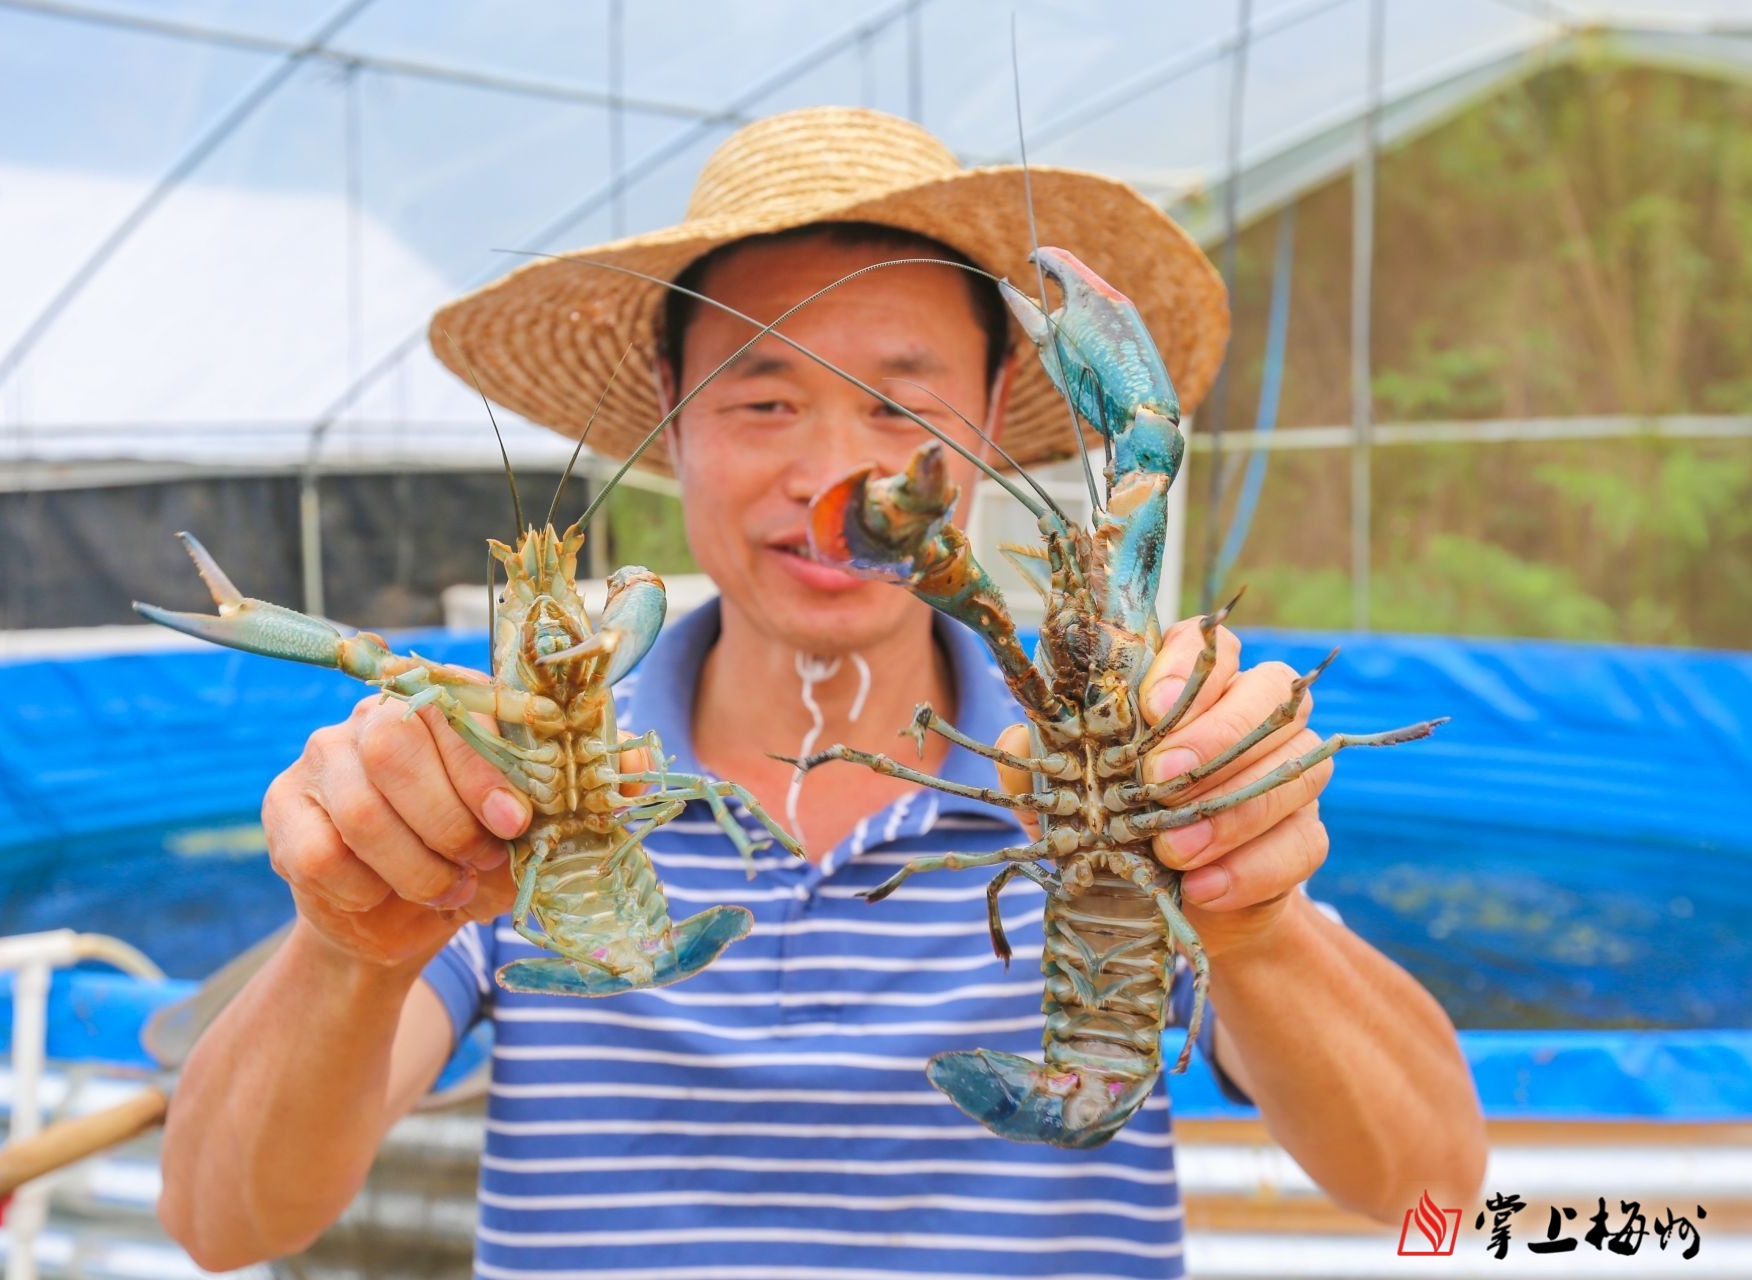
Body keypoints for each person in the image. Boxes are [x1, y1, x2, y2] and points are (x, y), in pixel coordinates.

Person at [158, 107, 1485, 1278]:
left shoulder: (1134, 762)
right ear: (670, 420)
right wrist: (350, 947)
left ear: (993, 406)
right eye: (767, 402)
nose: (836, 485)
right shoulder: (513, 800)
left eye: (900, 406)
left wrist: (1247, 910)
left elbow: (1432, 1192)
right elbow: (222, 1223)